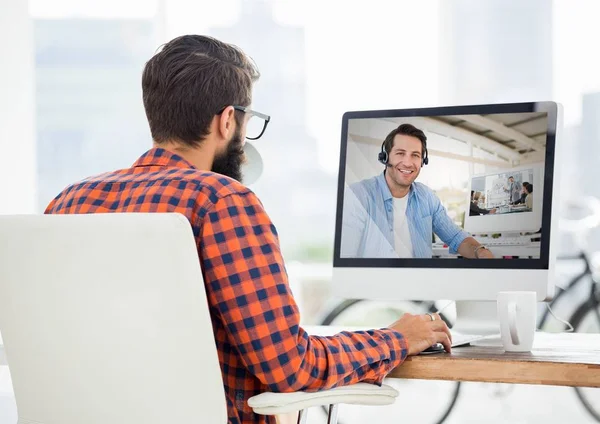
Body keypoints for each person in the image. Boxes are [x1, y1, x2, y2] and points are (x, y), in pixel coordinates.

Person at [44, 35, 453, 424]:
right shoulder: (221, 202)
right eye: (246, 121)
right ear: (227, 121)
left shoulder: (67, 204)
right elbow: (291, 368)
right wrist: (395, 338)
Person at [341, 123, 494, 259]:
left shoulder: (426, 197)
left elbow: (455, 237)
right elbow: (346, 258)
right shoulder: (359, 195)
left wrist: (480, 252)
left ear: (423, 161)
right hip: (374, 288)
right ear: (385, 156)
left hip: (421, 286)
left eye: (415, 155)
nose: (407, 163)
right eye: (400, 153)